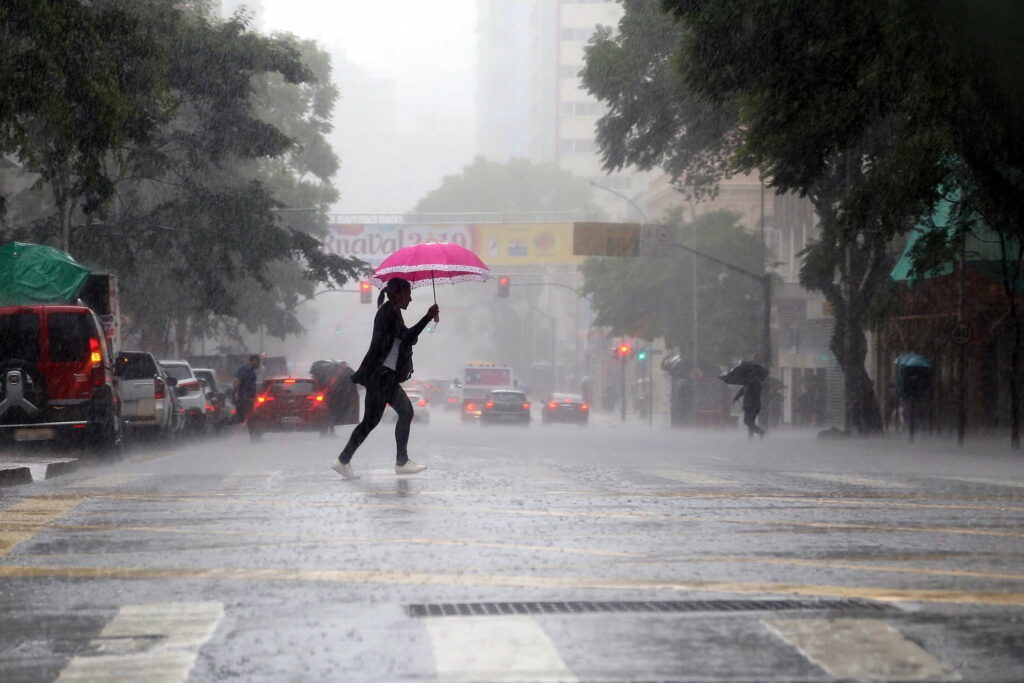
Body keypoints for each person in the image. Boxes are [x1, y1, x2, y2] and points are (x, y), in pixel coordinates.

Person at [332, 278, 439, 479]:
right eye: (407, 294)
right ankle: (400, 461)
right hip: (380, 376)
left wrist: (419, 328)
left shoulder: (393, 312)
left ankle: (344, 460)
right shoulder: (388, 312)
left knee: (374, 421)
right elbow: (406, 337)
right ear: (396, 294)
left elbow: (405, 339)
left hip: (382, 375)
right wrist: (427, 317)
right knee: (397, 414)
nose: (410, 298)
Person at [233, 354, 261, 423]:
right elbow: (237, 379)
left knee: (245, 417)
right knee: (245, 417)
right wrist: (236, 393)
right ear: (254, 361)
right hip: (244, 398)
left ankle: (249, 430)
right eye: (258, 362)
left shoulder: (251, 371)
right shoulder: (245, 369)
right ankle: (222, 425)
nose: (258, 365)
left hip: (247, 398)